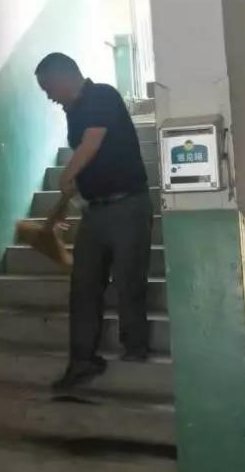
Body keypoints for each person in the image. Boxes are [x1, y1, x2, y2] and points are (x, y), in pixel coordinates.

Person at [35, 53, 152, 391]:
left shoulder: (103, 95)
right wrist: (75, 194)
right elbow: (89, 158)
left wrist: (67, 174)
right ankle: (82, 360)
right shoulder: (72, 113)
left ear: (63, 77)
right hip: (95, 211)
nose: (49, 96)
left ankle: (135, 347)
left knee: (129, 279)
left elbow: (92, 142)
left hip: (129, 205)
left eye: (48, 88)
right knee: (83, 285)